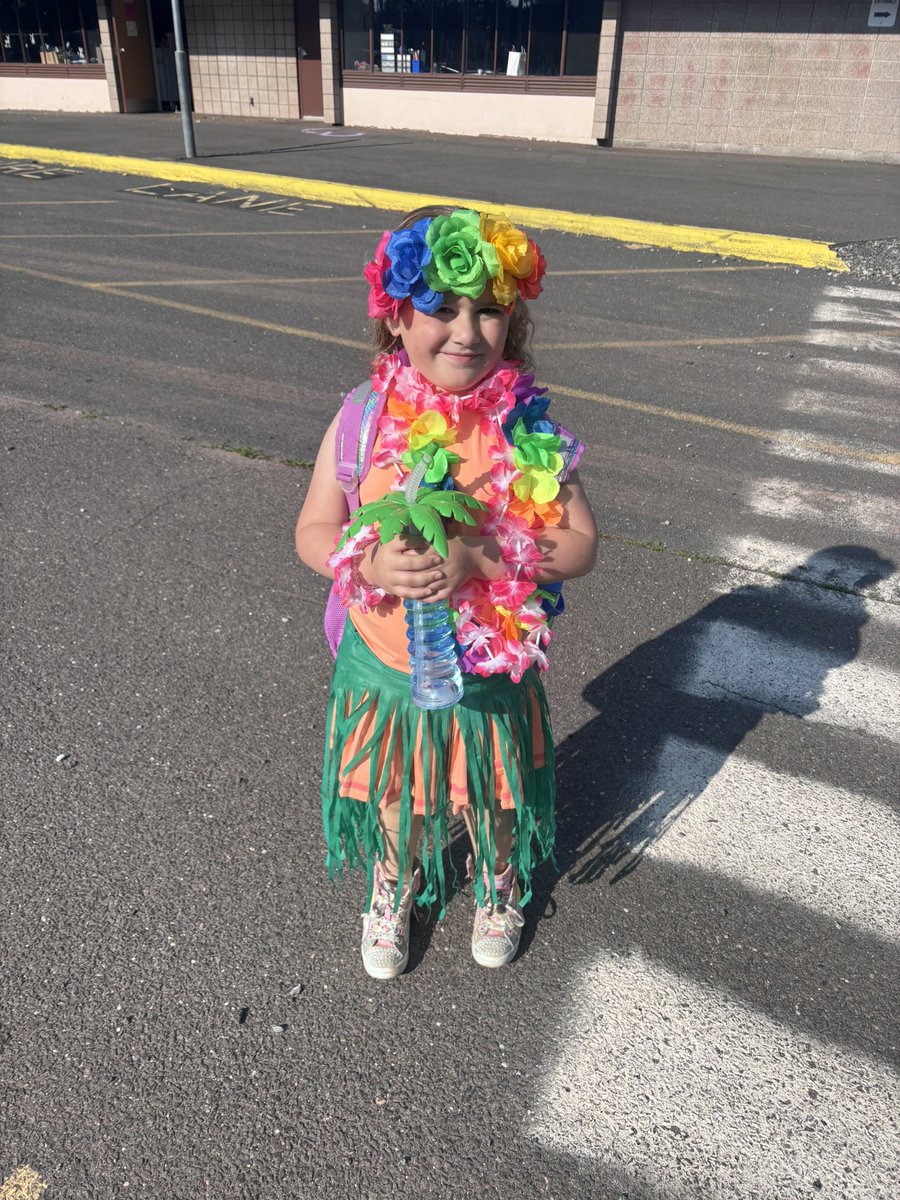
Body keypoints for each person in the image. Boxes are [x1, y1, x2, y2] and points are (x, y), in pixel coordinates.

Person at [295, 206, 597, 980]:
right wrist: (363, 567)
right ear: (396, 317)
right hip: (389, 664)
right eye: (440, 307)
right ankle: (394, 884)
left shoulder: (521, 427)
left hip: (490, 670)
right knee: (400, 796)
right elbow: (313, 530)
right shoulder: (362, 419)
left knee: (492, 795)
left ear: (513, 323)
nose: (466, 330)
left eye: (489, 309)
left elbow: (581, 544)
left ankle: (499, 881)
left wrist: (485, 559)